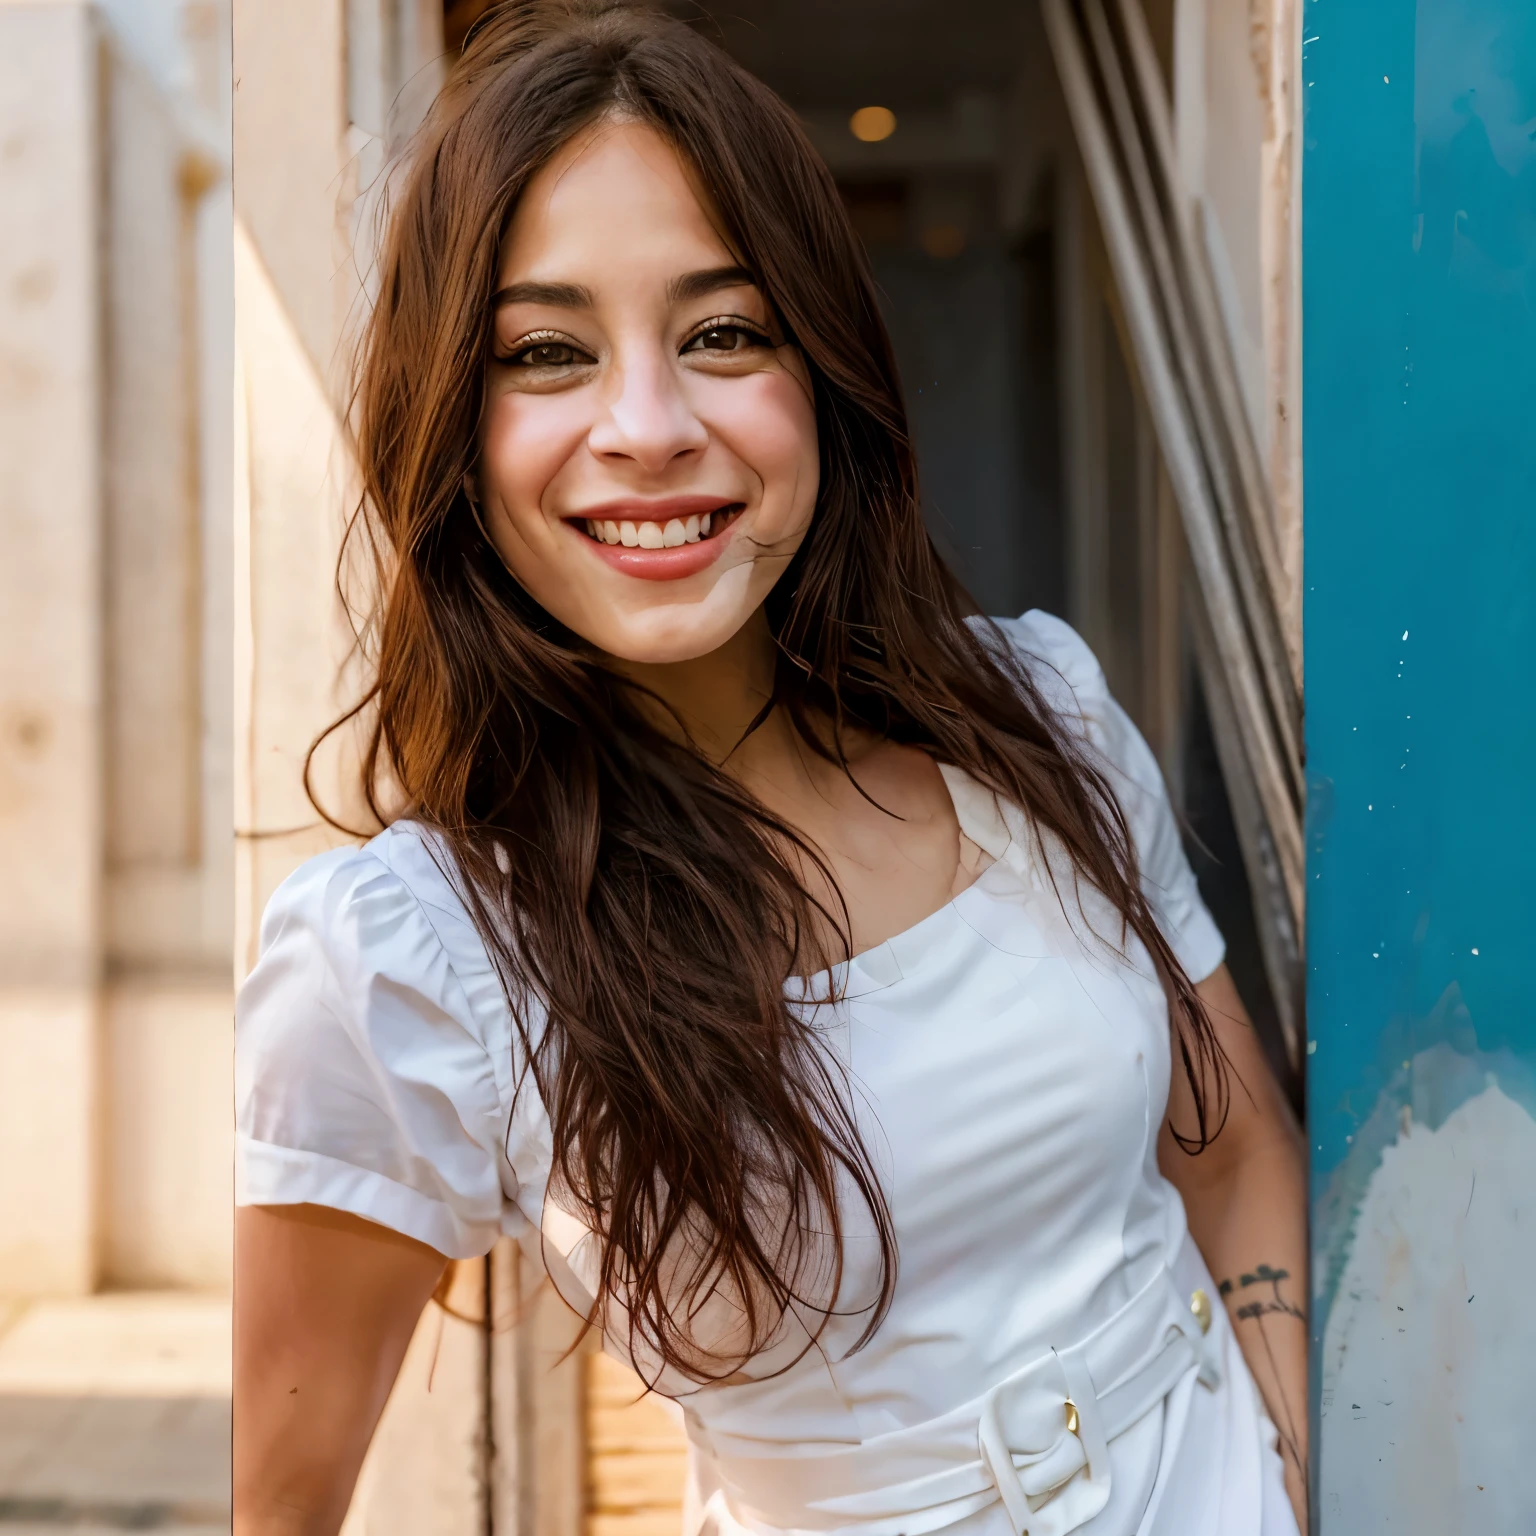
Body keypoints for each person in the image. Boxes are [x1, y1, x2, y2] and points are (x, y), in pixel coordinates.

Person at [232, 5, 1309, 1534]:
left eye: (724, 332)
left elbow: (1235, 1144)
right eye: (547, 352)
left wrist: (1300, 1472)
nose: (650, 427)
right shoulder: (412, 957)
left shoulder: (1038, 713)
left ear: (823, 372)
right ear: (453, 431)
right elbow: (277, 1505)